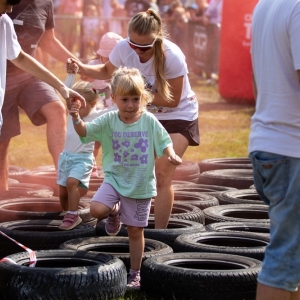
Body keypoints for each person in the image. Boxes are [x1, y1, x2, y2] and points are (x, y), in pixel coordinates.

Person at [67, 8, 200, 229]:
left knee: (162, 172)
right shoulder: (123, 49)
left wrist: (131, 95)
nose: (137, 50)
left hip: (178, 115)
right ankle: (118, 209)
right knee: (133, 167)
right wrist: (82, 67)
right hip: (142, 112)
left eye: (145, 47)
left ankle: (160, 235)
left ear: (156, 41)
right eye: (133, 44)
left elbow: (172, 100)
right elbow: (105, 70)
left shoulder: (172, 55)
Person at [70, 66, 182, 289]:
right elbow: (85, 132)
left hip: (140, 184)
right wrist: (75, 118)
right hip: (114, 178)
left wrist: (171, 154)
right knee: (96, 210)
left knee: (134, 231)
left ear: (142, 97)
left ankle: (135, 273)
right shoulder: (108, 119)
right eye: (124, 100)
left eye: (135, 99)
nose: (130, 105)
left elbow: (164, 141)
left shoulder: (148, 120)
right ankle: (113, 211)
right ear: (113, 98)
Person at [0, 0, 85, 191]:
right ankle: (3, 198)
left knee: (56, 109)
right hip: (4, 78)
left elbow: (29, 52)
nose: (11, 10)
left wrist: (65, 83)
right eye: (8, 4)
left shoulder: (8, 19)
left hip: (28, 75)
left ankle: (63, 182)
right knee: (2, 143)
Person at [249, 0, 300, 299]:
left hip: (270, 143)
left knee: (292, 258)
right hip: (291, 148)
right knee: (284, 259)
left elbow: (257, 80)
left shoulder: (265, 4)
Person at [57, 80, 107, 230]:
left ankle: (73, 214)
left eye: (80, 103)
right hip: (66, 157)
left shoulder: (97, 116)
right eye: (73, 102)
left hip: (83, 159)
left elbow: (117, 109)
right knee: (63, 192)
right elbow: (65, 90)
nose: (75, 106)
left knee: (72, 182)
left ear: (92, 104)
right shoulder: (71, 112)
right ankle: (68, 214)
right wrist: (71, 73)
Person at [81, 31, 123, 177]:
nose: (110, 59)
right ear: (100, 54)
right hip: (97, 112)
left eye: (113, 56)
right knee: (94, 141)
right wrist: (87, 80)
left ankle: (116, 170)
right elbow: (84, 88)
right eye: (107, 55)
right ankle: (90, 166)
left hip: (116, 113)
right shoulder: (93, 66)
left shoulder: (124, 68)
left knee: (116, 143)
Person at [202, 0, 223, 85]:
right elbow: (207, 14)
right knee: (210, 53)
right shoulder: (213, 2)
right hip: (211, 30)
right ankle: (210, 77)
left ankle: (219, 78)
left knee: (219, 54)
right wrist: (206, 18)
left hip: (223, 32)